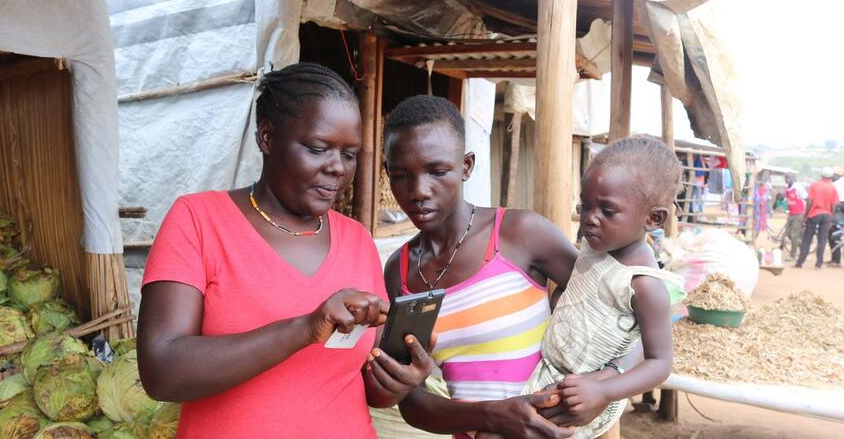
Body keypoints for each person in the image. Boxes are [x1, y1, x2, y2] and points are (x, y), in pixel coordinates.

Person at [136, 63, 434, 439]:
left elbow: (367, 389)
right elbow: (161, 373)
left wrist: (400, 378)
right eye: (318, 149)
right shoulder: (198, 220)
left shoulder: (357, 240)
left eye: (350, 154)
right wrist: (305, 329)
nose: (337, 168)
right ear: (267, 137)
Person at [381, 95, 639, 439]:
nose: (418, 191)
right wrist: (492, 416)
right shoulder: (399, 272)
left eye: (438, 171)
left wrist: (606, 384)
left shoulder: (520, 234)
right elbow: (412, 404)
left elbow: (634, 318)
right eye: (401, 175)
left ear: (466, 166)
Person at [505, 136, 685, 439]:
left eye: (607, 211)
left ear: (653, 218)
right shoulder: (594, 250)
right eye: (585, 206)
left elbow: (660, 363)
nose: (590, 219)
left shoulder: (644, 285)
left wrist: (602, 391)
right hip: (550, 373)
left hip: (587, 395)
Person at [795, 167, 840, 269]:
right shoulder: (832, 188)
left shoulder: (814, 185)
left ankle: (800, 263)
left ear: (821, 175)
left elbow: (809, 201)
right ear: (831, 176)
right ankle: (818, 264)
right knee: (822, 240)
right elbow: (834, 205)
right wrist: (831, 218)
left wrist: (805, 215)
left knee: (807, 239)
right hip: (826, 215)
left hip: (814, 214)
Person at [780, 173, 808, 262]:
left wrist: (806, 214)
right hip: (791, 214)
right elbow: (785, 199)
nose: (787, 179)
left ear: (793, 179)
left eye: (789, 178)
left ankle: (793, 255)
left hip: (798, 214)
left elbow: (807, 199)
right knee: (788, 233)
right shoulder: (786, 188)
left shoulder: (798, 188)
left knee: (794, 235)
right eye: (786, 178)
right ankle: (803, 247)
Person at [831, 166, 844, 266]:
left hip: (838, 209)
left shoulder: (834, 184)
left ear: (837, 175)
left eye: (833, 175)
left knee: (835, 234)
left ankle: (836, 260)